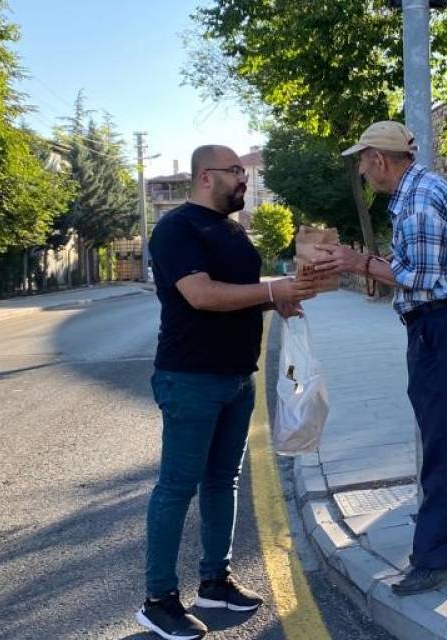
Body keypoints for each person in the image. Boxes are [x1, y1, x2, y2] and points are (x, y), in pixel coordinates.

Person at [137, 144, 313, 640]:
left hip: (237, 376)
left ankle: (215, 582)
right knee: (177, 486)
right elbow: (201, 294)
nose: (243, 178)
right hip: (190, 378)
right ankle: (158, 599)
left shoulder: (231, 228)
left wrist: (272, 302)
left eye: (242, 170)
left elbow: (239, 291)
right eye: (235, 171)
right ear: (205, 177)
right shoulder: (177, 229)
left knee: (223, 482)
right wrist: (271, 292)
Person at [311, 121, 447, 596]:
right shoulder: (419, 192)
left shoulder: (420, 202)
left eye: (364, 161)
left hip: (442, 326)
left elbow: (421, 277)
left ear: (381, 160)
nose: (363, 172)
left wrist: (358, 262)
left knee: (442, 443)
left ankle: (437, 559)